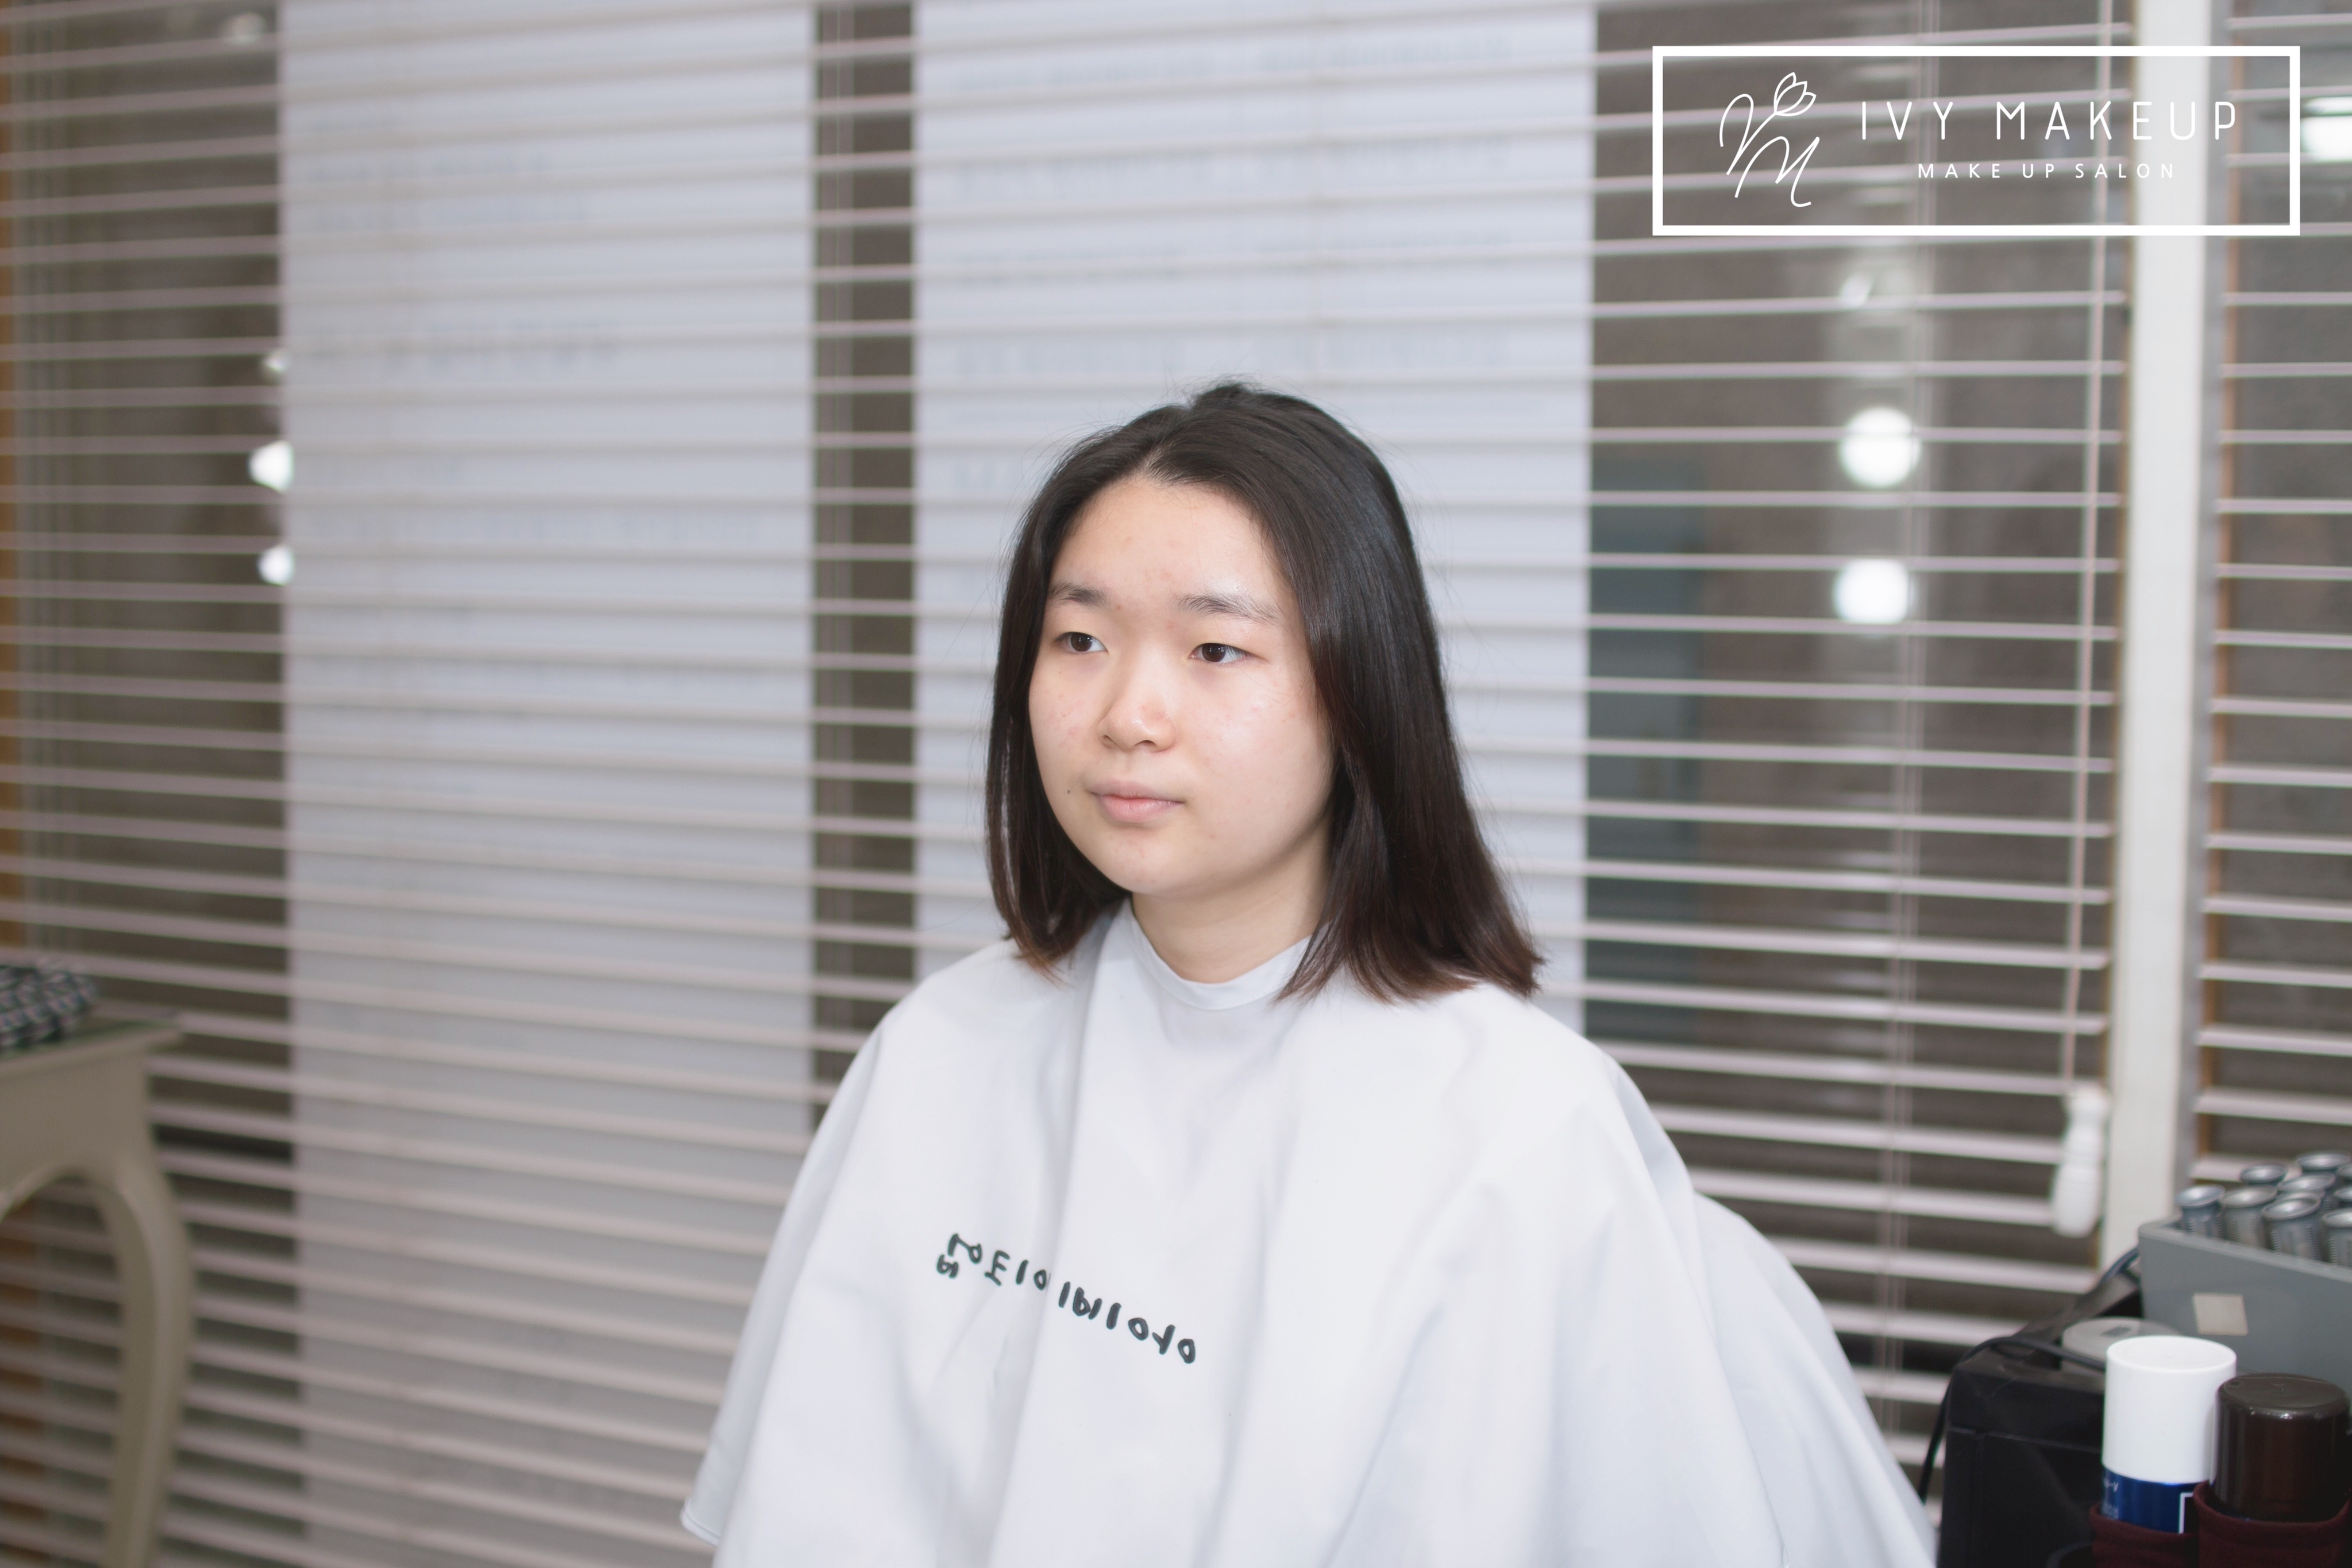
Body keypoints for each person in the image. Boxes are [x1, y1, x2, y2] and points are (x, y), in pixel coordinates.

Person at [684, 384, 1935, 1566]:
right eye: (1079, 638)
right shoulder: (942, 1049)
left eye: (1215, 649)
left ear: (1358, 694)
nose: (1128, 713)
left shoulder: (1519, 1131)